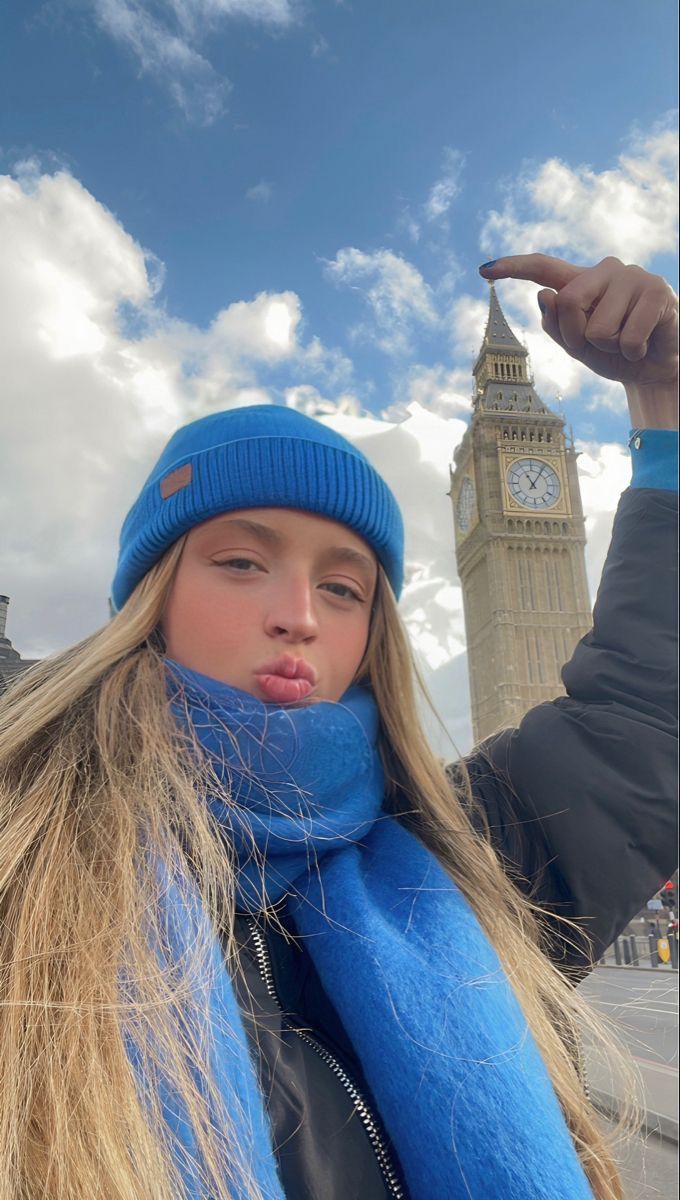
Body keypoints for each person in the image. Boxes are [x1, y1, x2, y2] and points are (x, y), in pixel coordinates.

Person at [0, 253, 676, 1200]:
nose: (300, 615)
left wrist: (667, 405)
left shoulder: (465, 858)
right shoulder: (20, 865)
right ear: (151, 597)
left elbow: (649, 709)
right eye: (241, 562)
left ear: (373, 634)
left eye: (343, 585)